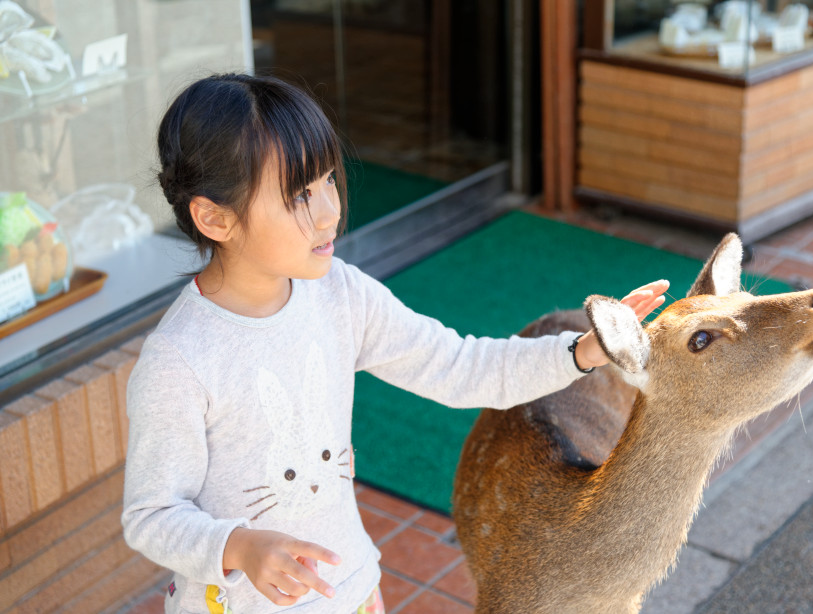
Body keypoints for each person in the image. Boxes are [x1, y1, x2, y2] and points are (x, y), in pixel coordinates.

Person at [121, 73, 669, 614]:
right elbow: (151, 515)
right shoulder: (179, 360)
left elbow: (460, 365)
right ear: (214, 217)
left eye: (327, 181)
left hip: (349, 588)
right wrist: (239, 546)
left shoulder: (341, 295)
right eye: (297, 195)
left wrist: (581, 353)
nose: (329, 211)